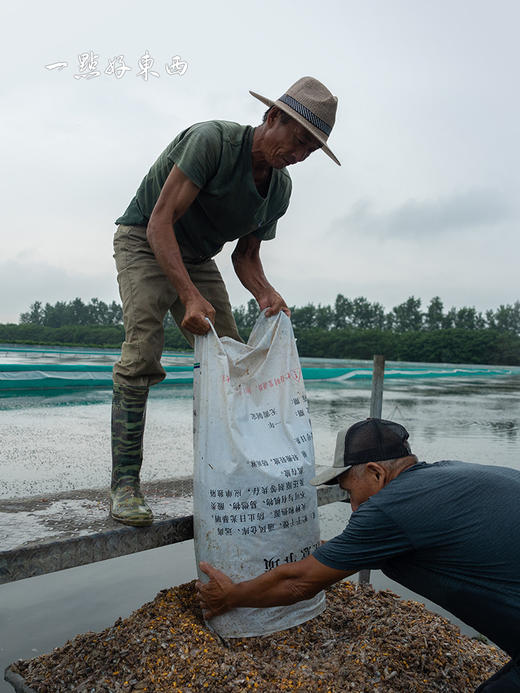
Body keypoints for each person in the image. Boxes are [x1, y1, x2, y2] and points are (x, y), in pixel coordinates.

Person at [110, 76, 340, 527]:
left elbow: (246, 256)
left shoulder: (280, 189)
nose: (299, 155)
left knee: (234, 362)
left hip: (196, 256)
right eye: (298, 141)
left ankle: (231, 476)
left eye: (311, 150)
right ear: (273, 117)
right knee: (142, 353)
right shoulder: (212, 141)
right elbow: (160, 221)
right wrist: (190, 296)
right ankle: (124, 486)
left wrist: (266, 293)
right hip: (144, 240)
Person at [197, 418, 520, 693]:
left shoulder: (390, 507)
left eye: (349, 492)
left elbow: (299, 583)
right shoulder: (448, 474)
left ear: (376, 473)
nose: (352, 506)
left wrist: (230, 597)